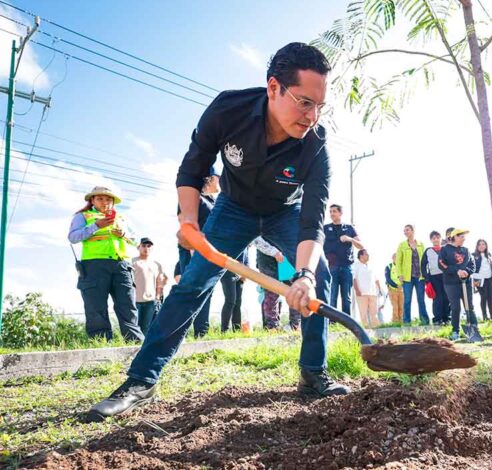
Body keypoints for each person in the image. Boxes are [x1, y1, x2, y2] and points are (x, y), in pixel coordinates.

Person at [88, 43, 347, 422]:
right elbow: (193, 168)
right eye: (304, 102)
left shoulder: (316, 144)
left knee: (317, 277)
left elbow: (312, 218)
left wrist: (304, 275)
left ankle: (313, 373)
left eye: (320, 106)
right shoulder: (229, 109)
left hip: (285, 212)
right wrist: (189, 223)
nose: (313, 116)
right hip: (233, 208)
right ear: (273, 87)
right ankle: (142, 381)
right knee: (193, 283)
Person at [68, 186, 145, 342]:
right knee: (95, 306)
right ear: (92, 200)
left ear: (113, 202)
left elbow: (137, 240)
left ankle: (134, 341)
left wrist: (124, 234)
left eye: (108, 199)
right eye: (100, 199)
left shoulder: (122, 218)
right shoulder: (82, 216)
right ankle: (101, 341)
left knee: (127, 305)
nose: (105, 202)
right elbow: (73, 237)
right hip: (93, 265)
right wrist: (96, 225)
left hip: (122, 265)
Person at [178, 168, 220, 337]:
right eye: (219, 178)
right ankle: (179, 331)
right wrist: (193, 249)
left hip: (208, 251)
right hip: (193, 250)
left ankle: (201, 332)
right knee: (191, 290)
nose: (221, 182)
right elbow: (184, 224)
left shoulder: (213, 201)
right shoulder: (194, 198)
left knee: (206, 290)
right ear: (210, 178)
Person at [323, 204, 363, 315]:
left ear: (340, 213)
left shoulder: (349, 228)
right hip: (331, 267)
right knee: (332, 296)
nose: (332, 214)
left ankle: (346, 322)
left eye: (334, 211)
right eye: (330, 211)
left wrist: (350, 239)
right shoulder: (325, 228)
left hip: (346, 267)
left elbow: (361, 246)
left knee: (346, 297)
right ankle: (332, 321)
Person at [254, 235, 300, 330]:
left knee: (293, 288)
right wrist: (273, 252)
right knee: (271, 291)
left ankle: (295, 324)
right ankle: (272, 326)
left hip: (286, 255)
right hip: (266, 257)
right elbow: (255, 239)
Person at [438, 228, 476, 340]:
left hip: (466, 282)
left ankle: (474, 330)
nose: (464, 239)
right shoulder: (445, 249)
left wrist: (467, 272)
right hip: (451, 283)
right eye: (462, 236)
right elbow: (441, 264)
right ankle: (455, 331)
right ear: (455, 237)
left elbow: (472, 264)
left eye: (464, 236)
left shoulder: (466, 250)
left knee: (469, 306)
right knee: (455, 307)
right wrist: (456, 271)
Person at [132, 238, 168, 334]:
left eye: (149, 246)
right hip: (135, 301)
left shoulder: (157, 264)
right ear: (138, 247)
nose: (146, 248)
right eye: (143, 246)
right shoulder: (132, 262)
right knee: (135, 329)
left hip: (151, 302)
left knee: (147, 329)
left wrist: (157, 297)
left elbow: (160, 283)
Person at [395, 224, 429, 325]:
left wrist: (426, 274)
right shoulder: (402, 245)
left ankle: (424, 320)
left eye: (407, 230)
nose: (405, 232)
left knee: (421, 300)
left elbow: (425, 260)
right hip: (407, 278)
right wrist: (400, 275)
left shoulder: (421, 244)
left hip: (420, 277)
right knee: (407, 300)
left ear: (413, 231)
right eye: (404, 230)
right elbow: (398, 261)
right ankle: (406, 321)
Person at [422, 230, 450, 325]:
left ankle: (446, 318)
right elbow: (423, 265)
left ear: (440, 239)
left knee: (446, 297)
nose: (436, 240)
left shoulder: (445, 249)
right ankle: (437, 319)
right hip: (434, 278)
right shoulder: (428, 251)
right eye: (433, 238)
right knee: (437, 298)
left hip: (446, 276)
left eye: (437, 238)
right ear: (431, 240)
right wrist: (427, 279)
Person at [353, 249, 382, 328]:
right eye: (366, 254)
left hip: (373, 293)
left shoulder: (371, 266)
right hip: (362, 293)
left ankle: (376, 327)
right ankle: (365, 329)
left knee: (374, 312)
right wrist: (357, 290)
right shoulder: (356, 265)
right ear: (361, 256)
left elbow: (376, 279)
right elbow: (354, 279)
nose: (368, 255)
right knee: (363, 313)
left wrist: (379, 289)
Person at [220, 249, 247, 332]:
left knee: (238, 302)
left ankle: (237, 330)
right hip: (228, 270)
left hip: (241, 271)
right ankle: (224, 330)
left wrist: (245, 271)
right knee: (230, 300)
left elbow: (245, 255)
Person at [471, 239, 492, 322]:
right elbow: (472, 268)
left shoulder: (488, 254)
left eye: (483, 244)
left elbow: (490, 266)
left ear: (486, 246)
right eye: (479, 244)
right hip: (479, 279)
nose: (481, 246)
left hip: (489, 278)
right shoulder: (473, 255)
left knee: (490, 298)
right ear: (477, 246)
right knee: (483, 297)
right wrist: (473, 280)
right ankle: (485, 317)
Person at [385, 254, 404, 323]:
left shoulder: (402, 267)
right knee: (395, 307)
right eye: (396, 257)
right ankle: (395, 322)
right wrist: (396, 286)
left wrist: (402, 285)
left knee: (401, 306)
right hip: (392, 289)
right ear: (392, 258)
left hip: (401, 290)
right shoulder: (389, 267)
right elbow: (388, 279)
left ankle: (401, 321)